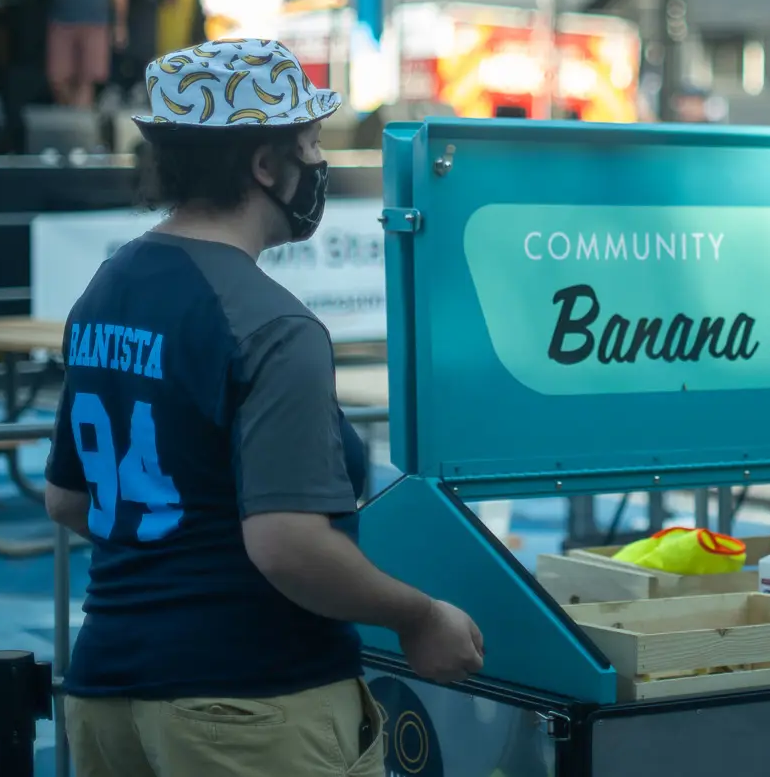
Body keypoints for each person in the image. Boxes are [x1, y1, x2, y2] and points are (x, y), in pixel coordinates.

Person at [45, 38, 482, 776]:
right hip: (249, 706)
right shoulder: (273, 324)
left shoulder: (108, 285)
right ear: (263, 164)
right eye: (309, 143)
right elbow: (286, 546)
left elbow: (66, 496)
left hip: (104, 695)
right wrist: (420, 614)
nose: (320, 163)